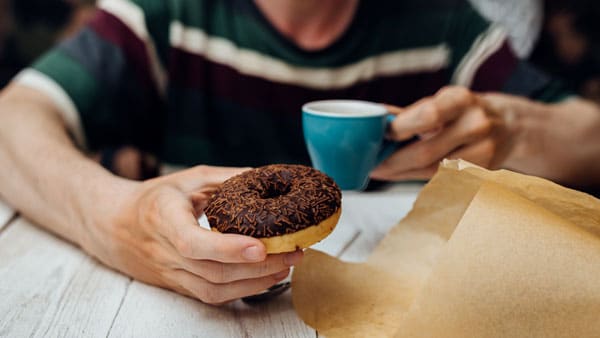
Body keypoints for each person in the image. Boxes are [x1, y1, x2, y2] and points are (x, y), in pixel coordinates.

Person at [1, 0, 600, 305]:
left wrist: (515, 128)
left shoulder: (441, 25)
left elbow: (590, 134)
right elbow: (12, 117)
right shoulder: (164, 16)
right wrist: (110, 216)